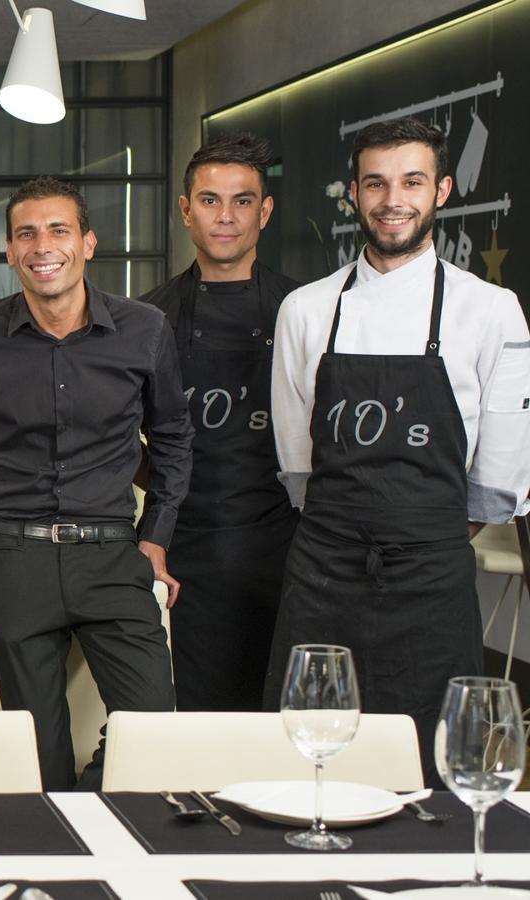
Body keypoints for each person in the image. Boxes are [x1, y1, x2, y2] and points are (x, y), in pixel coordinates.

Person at [269, 117, 530, 784]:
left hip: (431, 576)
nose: (394, 200)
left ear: (441, 189)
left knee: (434, 761)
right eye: (376, 183)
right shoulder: (306, 309)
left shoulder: (491, 310)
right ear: (353, 193)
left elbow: (500, 474)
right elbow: (298, 459)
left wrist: (416, 524)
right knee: (308, 749)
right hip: (323, 569)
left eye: (412, 181)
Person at [0, 175, 191, 791]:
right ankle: (61, 853)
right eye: (25, 233)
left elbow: (175, 439)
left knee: (152, 731)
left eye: (58, 229)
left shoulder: (145, 329)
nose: (42, 245)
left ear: (88, 242)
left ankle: (95, 806)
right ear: (10, 249)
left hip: (111, 554)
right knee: (35, 758)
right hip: (15, 559)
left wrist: (154, 538)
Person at [138, 133, 301, 711]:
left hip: (286, 546)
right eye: (209, 200)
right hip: (184, 550)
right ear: (185, 210)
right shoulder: (148, 317)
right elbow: (115, 435)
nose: (226, 217)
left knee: (279, 712)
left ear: (266, 210)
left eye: (242, 200)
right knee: (196, 715)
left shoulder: (304, 311)